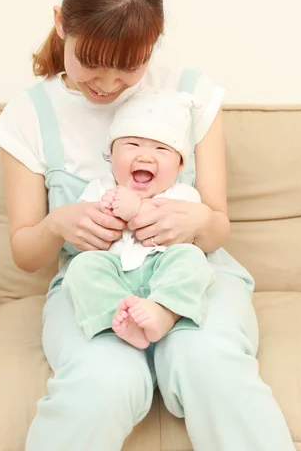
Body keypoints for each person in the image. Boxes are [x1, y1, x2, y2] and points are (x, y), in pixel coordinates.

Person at [0, 0, 294, 450]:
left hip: (191, 269)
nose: (107, 86)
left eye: (129, 68)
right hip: (96, 282)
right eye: (91, 64)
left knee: (208, 362)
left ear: (153, 46)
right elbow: (25, 253)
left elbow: (218, 228)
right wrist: (56, 225)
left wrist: (198, 219)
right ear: (61, 24)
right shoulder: (29, 115)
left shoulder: (191, 95)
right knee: (103, 382)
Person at [63, 90, 216, 349]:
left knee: (193, 261)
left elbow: (190, 238)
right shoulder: (98, 189)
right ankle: (119, 316)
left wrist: (135, 211)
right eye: (132, 145)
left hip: (163, 266)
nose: (145, 156)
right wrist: (106, 215)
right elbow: (85, 235)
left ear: (180, 166)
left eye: (161, 149)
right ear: (111, 156)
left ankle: (164, 311)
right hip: (114, 269)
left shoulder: (183, 194)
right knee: (80, 268)